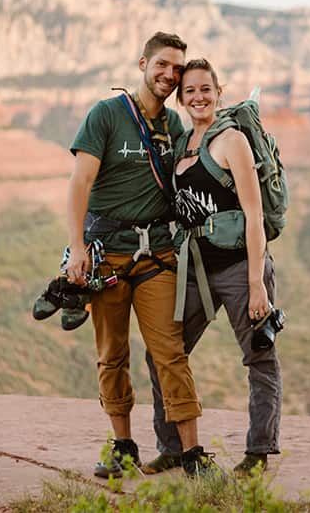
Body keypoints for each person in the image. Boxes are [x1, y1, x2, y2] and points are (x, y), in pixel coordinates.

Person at [65, 32, 216, 479]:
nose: (170, 75)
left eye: (177, 69)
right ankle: (122, 445)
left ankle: (192, 455)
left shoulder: (173, 126)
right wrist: (76, 249)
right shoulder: (107, 115)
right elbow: (80, 184)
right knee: (112, 353)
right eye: (162, 65)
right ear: (142, 64)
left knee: (169, 351)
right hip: (107, 257)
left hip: (157, 257)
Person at [143, 58, 282, 477]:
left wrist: (257, 284)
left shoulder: (232, 139)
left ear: (219, 92)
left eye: (206, 89)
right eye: (189, 91)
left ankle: (259, 451)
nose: (198, 97)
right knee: (163, 354)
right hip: (195, 270)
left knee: (259, 356)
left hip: (241, 267)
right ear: (180, 98)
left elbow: (254, 215)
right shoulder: (184, 142)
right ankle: (173, 445)